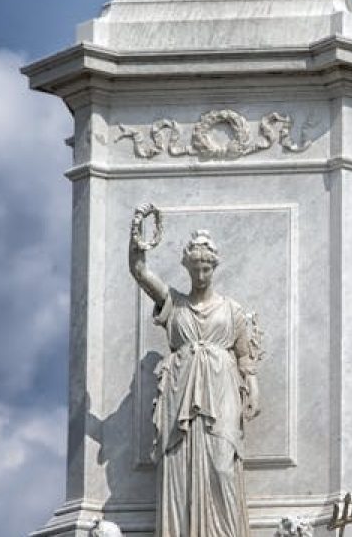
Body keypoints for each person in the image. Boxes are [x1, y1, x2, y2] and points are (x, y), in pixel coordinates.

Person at [129, 204, 261, 537]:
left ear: (213, 268)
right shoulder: (174, 303)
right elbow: (140, 272)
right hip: (181, 388)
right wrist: (137, 241)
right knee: (180, 463)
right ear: (188, 269)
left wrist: (253, 388)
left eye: (206, 269)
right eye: (195, 269)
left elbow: (245, 356)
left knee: (222, 463)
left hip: (222, 387)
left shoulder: (232, 310)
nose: (200, 275)